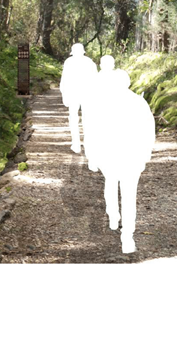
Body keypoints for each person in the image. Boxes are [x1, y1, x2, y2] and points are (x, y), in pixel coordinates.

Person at [97, 69, 156, 254]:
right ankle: (127, 236)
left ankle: (114, 216)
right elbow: (149, 130)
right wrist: (146, 154)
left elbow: (96, 131)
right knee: (129, 195)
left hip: (113, 155)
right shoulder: (139, 102)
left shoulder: (105, 102)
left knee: (111, 183)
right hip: (132, 156)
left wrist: (96, 154)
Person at [59, 43, 97, 154]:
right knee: (84, 118)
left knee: (75, 118)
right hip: (84, 94)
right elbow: (95, 80)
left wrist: (64, 93)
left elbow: (64, 80)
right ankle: (83, 143)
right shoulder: (89, 62)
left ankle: (77, 144)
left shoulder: (69, 62)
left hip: (76, 94)